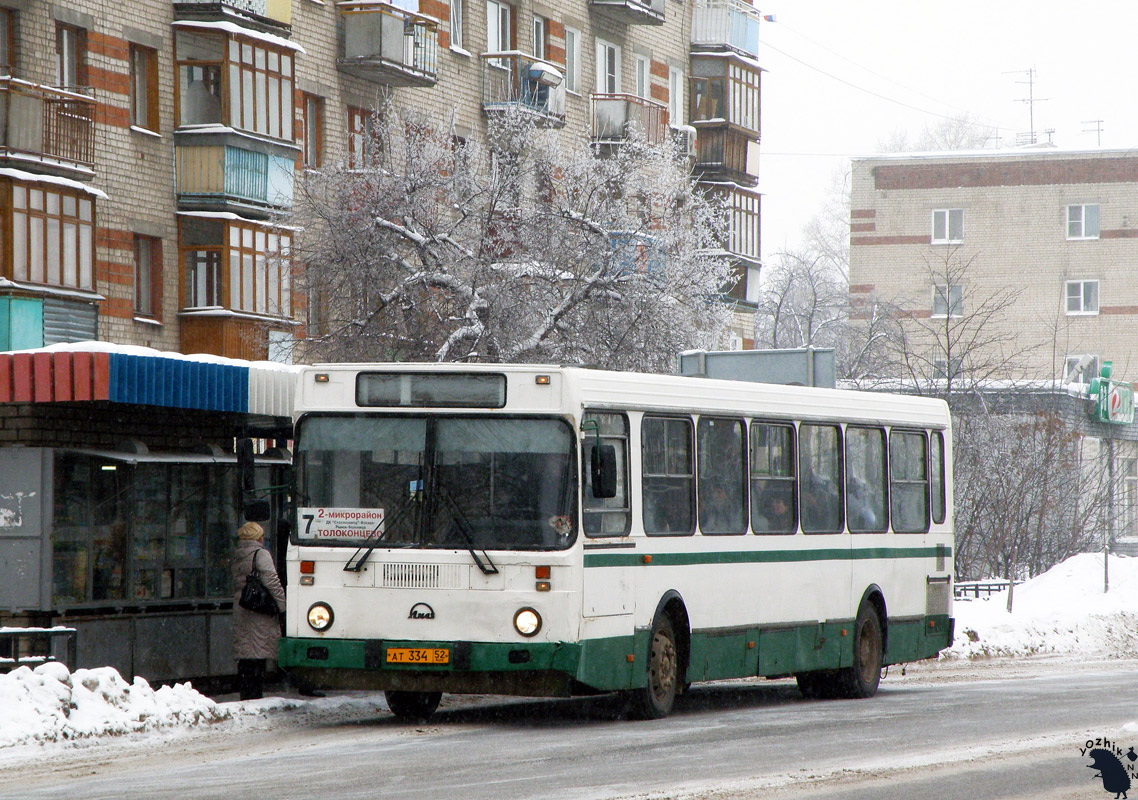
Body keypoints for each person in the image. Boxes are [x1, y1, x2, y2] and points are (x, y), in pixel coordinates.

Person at [231, 521, 286, 700]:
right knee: (258, 652)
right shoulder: (260, 554)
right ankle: (255, 694)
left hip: (242, 606)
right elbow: (272, 581)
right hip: (258, 608)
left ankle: (246, 692)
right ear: (258, 538)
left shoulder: (237, 554)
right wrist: (282, 606)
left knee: (246, 652)